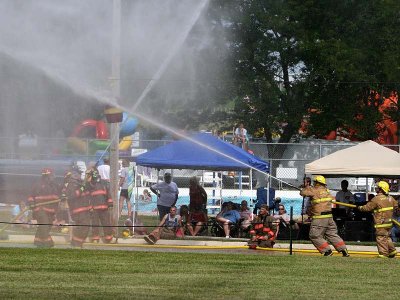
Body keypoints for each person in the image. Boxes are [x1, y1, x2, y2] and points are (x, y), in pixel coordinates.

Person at [300, 175, 350, 257]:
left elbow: (303, 193)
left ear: (317, 182)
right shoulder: (326, 191)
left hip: (319, 218)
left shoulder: (314, 190)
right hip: (329, 218)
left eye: (314, 182)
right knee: (332, 234)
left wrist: (305, 187)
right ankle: (344, 250)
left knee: (314, 235)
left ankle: (327, 251)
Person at [357, 181, 398, 258]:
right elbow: (396, 206)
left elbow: (367, 208)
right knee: (386, 237)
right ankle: (392, 251)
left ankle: (383, 254)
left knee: (380, 237)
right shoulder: (391, 198)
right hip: (389, 222)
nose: (376, 189)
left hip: (381, 222)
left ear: (381, 189)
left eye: (377, 188)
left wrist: (360, 207)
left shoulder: (376, 199)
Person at [27, 168, 60, 248]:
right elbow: (31, 196)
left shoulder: (54, 186)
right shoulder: (37, 185)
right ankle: (49, 244)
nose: (52, 177)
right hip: (40, 210)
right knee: (44, 226)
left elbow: (57, 198)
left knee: (47, 227)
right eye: (51, 176)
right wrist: (31, 203)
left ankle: (38, 242)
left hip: (50, 211)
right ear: (46, 176)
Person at [61, 166, 91, 248]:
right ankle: (77, 244)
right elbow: (73, 195)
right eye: (78, 174)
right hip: (78, 210)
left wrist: (87, 182)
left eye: (80, 174)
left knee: (83, 227)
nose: (79, 176)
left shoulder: (80, 183)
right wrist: (82, 188)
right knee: (83, 227)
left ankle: (76, 244)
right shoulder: (71, 185)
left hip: (84, 209)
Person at [86, 168, 114, 244]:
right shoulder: (89, 184)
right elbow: (87, 196)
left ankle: (108, 237)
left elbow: (108, 193)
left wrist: (110, 203)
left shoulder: (102, 183)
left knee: (106, 223)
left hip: (103, 207)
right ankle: (96, 238)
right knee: (95, 223)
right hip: (95, 208)